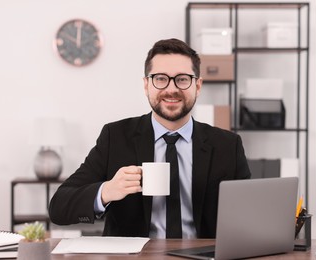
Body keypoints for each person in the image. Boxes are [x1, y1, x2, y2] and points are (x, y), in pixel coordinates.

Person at [49, 38, 251, 239]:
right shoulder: (115, 137)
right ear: (146, 85)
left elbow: (249, 213)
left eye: (182, 79)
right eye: (160, 78)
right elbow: (59, 207)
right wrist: (106, 191)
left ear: (197, 86)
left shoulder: (228, 145)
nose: (171, 89)